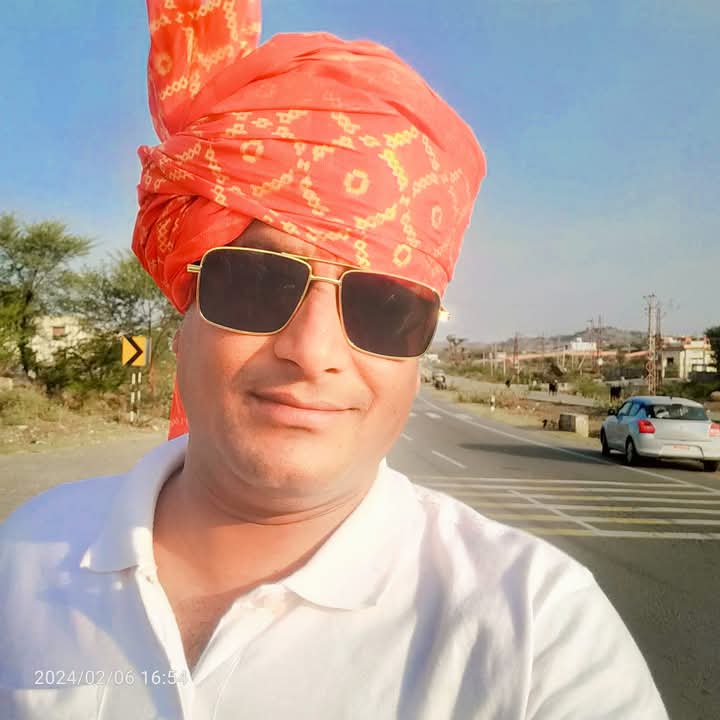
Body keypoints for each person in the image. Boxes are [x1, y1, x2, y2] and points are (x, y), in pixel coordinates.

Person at [0, 1, 668, 718]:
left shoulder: (537, 635)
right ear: (184, 312)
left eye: (384, 305)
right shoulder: (24, 559)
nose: (312, 352)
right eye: (257, 283)